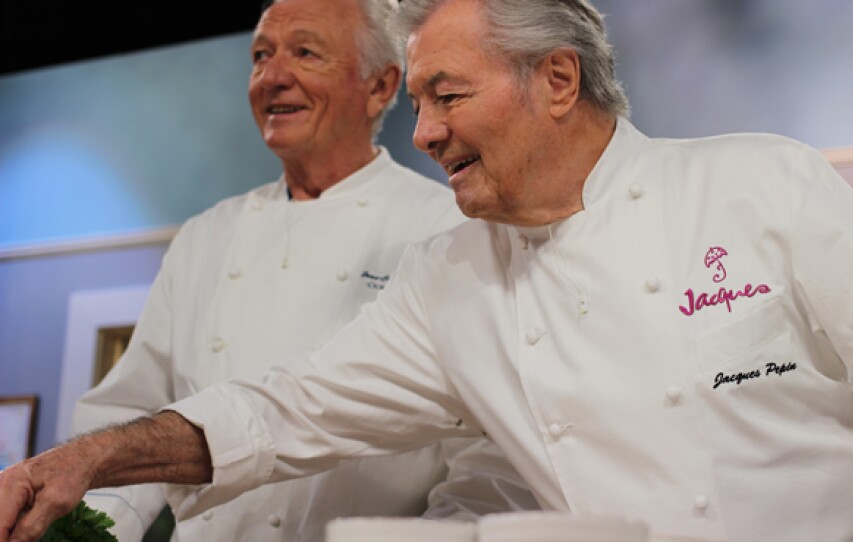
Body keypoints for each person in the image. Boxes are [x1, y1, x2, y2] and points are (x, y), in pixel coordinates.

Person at [3, 0, 853, 541]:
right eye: (419, 102)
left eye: (448, 96)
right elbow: (284, 411)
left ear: (559, 80)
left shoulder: (760, 182)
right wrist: (97, 454)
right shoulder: (451, 275)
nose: (423, 135)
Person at [60, 0, 538, 540]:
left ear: (380, 87)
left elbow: (487, 453)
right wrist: (95, 528)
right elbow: (131, 414)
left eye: (306, 53)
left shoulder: (446, 228)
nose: (273, 77)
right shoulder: (207, 236)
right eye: (261, 56)